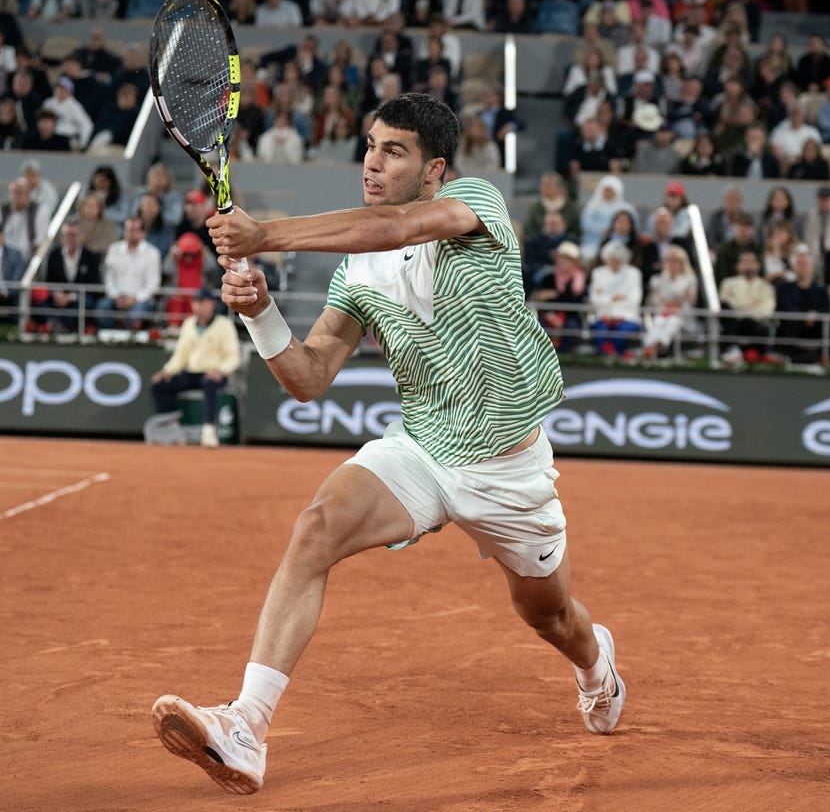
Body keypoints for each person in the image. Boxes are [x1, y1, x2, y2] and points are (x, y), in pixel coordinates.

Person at [151, 92, 626, 795]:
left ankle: (597, 669)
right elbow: (309, 377)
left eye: (393, 150)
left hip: (508, 468)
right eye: (370, 146)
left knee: (551, 615)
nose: (372, 162)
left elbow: (398, 227)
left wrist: (267, 236)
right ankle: (246, 726)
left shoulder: (476, 204)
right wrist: (261, 314)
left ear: (435, 168)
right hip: (425, 449)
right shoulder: (354, 273)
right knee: (315, 528)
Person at [149, 287, 241, 448]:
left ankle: (208, 431)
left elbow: (233, 357)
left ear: (212, 304)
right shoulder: (189, 324)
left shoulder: (224, 325)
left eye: (202, 302)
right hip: (191, 373)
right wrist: (167, 371)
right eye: (195, 303)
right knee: (158, 385)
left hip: (215, 374)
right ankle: (169, 430)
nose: (198, 306)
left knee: (209, 383)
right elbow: (180, 355)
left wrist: (220, 370)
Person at [97, 215, 161, 330]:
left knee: (138, 313)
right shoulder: (114, 249)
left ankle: (129, 339)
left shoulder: (152, 253)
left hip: (140, 299)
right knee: (101, 309)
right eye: (128, 230)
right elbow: (108, 278)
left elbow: (153, 284)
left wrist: (135, 298)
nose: (130, 233)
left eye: (134, 230)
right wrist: (116, 296)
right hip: (116, 297)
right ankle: (114, 337)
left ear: (143, 233)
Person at [40, 216, 101, 332]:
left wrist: (70, 297)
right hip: (58, 298)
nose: (69, 239)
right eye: (66, 235)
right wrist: (56, 294)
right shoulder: (54, 255)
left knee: (86, 304)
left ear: (81, 236)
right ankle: (55, 325)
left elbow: (93, 284)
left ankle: (59, 326)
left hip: (79, 299)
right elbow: (48, 281)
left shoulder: (91, 257)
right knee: (41, 305)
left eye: (73, 235)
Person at [774, 245, 830, 363]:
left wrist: (816, 314)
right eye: (799, 263)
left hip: (815, 329)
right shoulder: (784, 288)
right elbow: (784, 309)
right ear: (793, 266)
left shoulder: (821, 290)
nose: (802, 267)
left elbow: (826, 310)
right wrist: (805, 316)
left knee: (826, 327)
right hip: (792, 330)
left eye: (805, 263)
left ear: (812, 266)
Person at [529, 239, 587, 352]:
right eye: (560, 259)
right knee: (539, 327)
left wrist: (555, 294)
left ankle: (565, 356)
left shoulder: (579, 279)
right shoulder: (549, 277)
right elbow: (540, 298)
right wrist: (551, 315)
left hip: (571, 317)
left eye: (566, 259)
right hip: (548, 315)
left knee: (571, 327)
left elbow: (576, 301)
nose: (561, 262)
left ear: (574, 262)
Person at [588, 238, 643, 356]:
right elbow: (594, 300)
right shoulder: (598, 273)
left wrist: (606, 297)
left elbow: (634, 300)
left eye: (617, 260)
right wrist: (612, 298)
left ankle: (616, 360)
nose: (614, 262)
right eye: (611, 259)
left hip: (627, 317)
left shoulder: (634, 273)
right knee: (600, 332)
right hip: (603, 317)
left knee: (621, 333)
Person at [641, 244, 698, 358]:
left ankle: (654, 347)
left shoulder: (690, 280)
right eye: (668, 261)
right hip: (661, 313)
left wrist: (674, 306)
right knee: (659, 321)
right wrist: (670, 305)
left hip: (682, 316)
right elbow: (654, 301)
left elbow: (689, 302)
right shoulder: (657, 280)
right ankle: (653, 347)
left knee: (673, 321)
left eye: (675, 261)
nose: (672, 264)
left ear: (682, 263)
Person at [719, 249, 776, 362]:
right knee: (727, 314)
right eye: (744, 261)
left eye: (750, 261)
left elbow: (767, 310)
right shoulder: (727, 283)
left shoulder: (767, 287)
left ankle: (755, 355)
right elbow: (726, 305)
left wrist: (740, 306)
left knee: (760, 327)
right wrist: (753, 304)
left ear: (758, 265)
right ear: (738, 265)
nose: (747, 265)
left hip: (757, 325)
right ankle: (733, 351)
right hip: (735, 324)